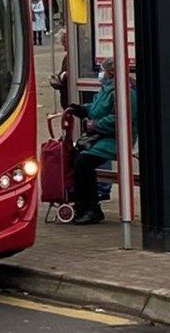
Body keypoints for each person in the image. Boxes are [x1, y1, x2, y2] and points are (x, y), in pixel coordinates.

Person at [65, 57, 137, 225]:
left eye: (104, 71)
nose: (102, 74)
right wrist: (82, 110)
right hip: (103, 136)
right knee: (75, 155)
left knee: (84, 162)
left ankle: (92, 208)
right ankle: (81, 203)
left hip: (117, 138)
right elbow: (98, 107)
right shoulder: (108, 88)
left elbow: (120, 118)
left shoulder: (125, 91)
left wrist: (95, 125)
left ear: (111, 72)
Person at [49, 29, 69, 109]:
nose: (64, 48)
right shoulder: (67, 58)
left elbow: (67, 76)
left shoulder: (73, 57)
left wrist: (61, 76)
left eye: (64, 44)